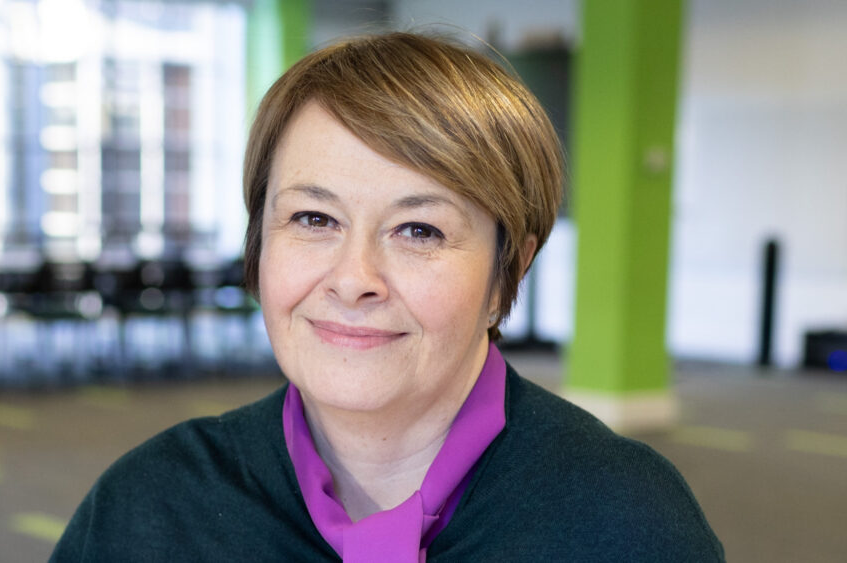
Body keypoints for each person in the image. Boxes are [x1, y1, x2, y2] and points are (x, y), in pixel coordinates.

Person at [51, 32, 724, 562]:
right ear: (261, 242)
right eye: (314, 219)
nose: (353, 278)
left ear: (508, 271)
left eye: (419, 229)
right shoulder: (151, 505)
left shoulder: (626, 522)